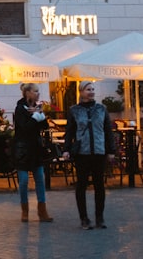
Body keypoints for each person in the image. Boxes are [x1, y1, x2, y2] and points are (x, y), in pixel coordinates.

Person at [62, 81, 116, 230]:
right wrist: (66, 149)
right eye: (88, 89)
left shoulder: (101, 109)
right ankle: (84, 218)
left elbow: (108, 131)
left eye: (92, 89)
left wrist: (111, 150)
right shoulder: (74, 110)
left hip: (99, 151)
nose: (91, 92)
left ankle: (100, 217)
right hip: (82, 152)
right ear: (81, 91)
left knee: (99, 185)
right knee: (82, 185)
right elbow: (70, 131)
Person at [13, 83, 53, 223]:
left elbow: (45, 126)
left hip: (36, 149)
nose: (38, 94)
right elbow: (24, 128)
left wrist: (41, 115)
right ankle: (25, 210)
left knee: (40, 179)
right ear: (27, 93)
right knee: (23, 181)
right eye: (35, 91)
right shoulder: (19, 109)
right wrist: (35, 117)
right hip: (23, 150)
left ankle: (42, 210)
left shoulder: (35, 108)